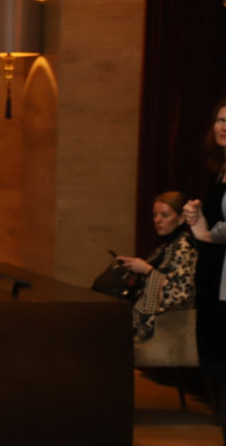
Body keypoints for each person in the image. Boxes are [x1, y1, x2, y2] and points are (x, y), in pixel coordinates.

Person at [183, 97, 226, 444]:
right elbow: (211, 230)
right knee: (216, 365)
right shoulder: (222, 169)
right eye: (221, 120)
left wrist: (209, 233)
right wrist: (197, 218)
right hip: (213, 278)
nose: (224, 126)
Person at [115, 191, 197, 342]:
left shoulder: (184, 248)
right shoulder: (165, 247)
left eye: (164, 215)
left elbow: (182, 295)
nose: (157, 220)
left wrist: (147, 270)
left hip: (168, 329)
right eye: (155, 215)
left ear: (181, 218)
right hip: (149, 323)